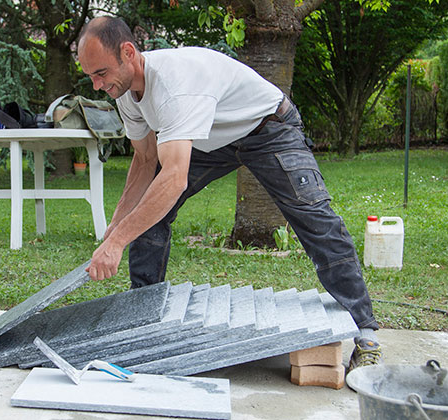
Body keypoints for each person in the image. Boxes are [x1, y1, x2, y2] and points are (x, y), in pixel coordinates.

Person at [78, 16, 382, 370]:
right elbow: (146, 162)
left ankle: (366, 331)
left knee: (314, 216)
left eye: (100, 73)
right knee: (148, 213)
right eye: (91, 77)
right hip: (211, 139)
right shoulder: (127, 93)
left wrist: (116, 245)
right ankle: (143, 312)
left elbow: (173, 178)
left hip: (267, 127)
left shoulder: (176, 85)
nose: (97, 86)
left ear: (128, 53)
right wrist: (118, 226)